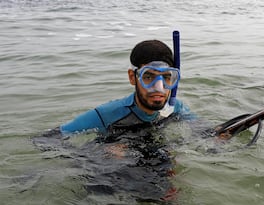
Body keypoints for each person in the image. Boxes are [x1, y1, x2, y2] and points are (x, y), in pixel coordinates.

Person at [60, 39, 194, 136]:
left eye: (166, 77)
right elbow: (50, 139)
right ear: (132, 77)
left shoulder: (176, 108)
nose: (159, 88)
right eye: (148, 77)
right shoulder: (106, 115)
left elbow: (202, 132)